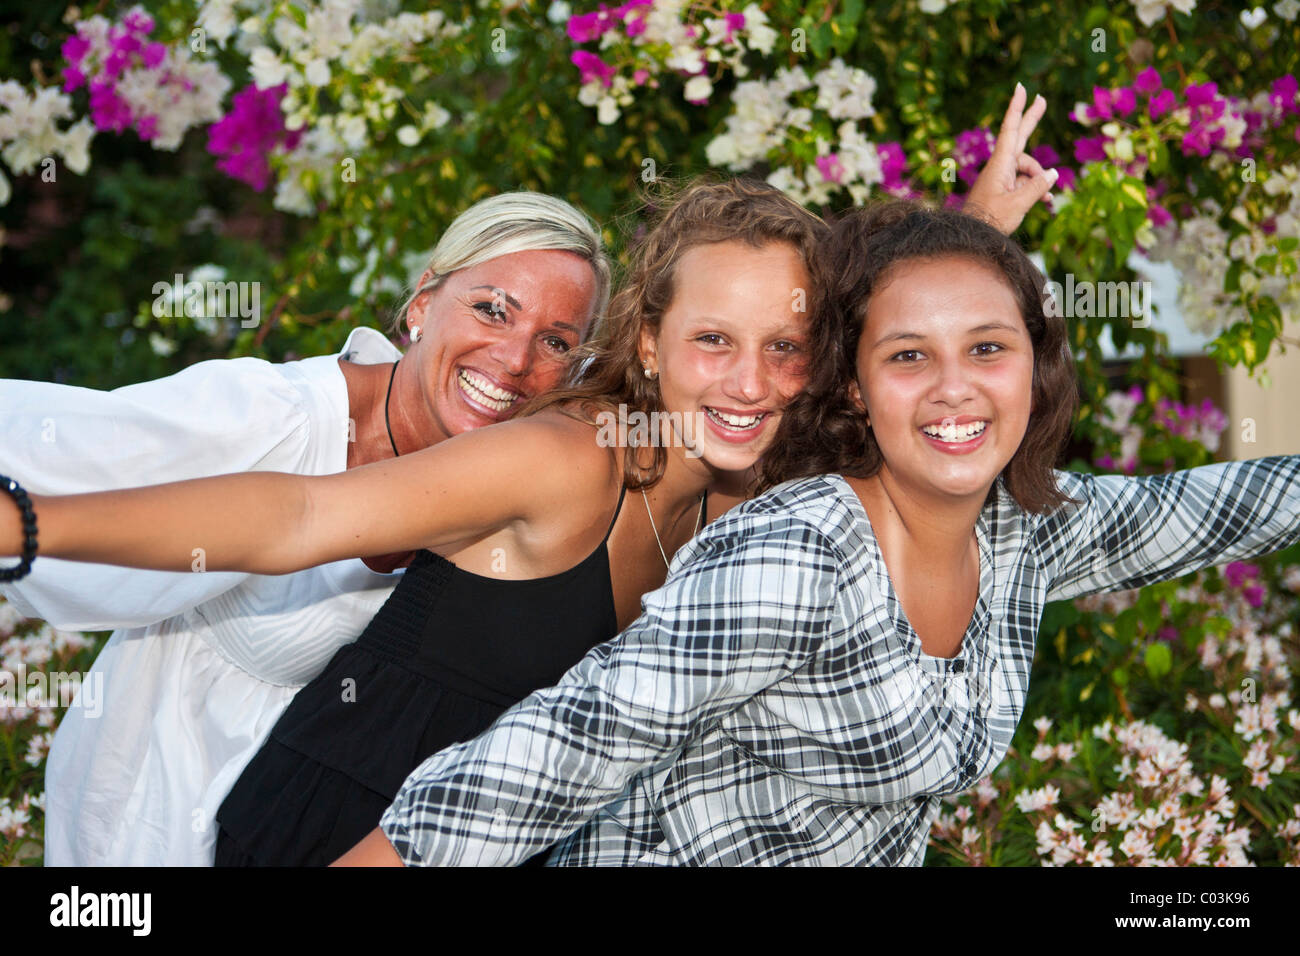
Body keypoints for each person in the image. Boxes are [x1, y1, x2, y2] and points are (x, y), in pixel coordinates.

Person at [0, 90, 1056, 867]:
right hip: (336, 829)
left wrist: (973, 228)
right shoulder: (568, 457)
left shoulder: (743, 474)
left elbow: (902, 372)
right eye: (715, 340)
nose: (753, 378)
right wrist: (27, 524)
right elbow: (298, 511)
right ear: (649, 342)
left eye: (787, 347)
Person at [331, 200, 1300, 867]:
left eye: (988, 350)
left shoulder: (1025, 530)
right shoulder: (799, 554)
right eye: (908, 355)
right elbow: (564, 746)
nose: (955, 387)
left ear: (1032, 372)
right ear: (853, 385)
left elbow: (1223, 506)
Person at [0, 190, 611, 866]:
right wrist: (23, 522)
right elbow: (73, 447)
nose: (516, 358)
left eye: (556, 341)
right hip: (148, 818)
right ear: (422, 303)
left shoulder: (518, 493)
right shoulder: (275, 417)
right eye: (492, 309)